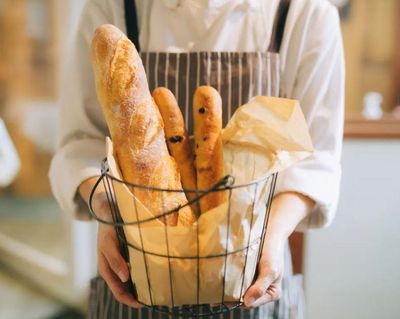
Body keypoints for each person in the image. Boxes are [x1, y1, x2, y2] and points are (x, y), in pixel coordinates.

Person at [49, 0, 344, 318]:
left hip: (252, 274)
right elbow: (80, 145)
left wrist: (270, 237)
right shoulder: (113, 7)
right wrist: (112, 215)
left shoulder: (304, 14)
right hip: (139, 275)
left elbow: (315, 160)